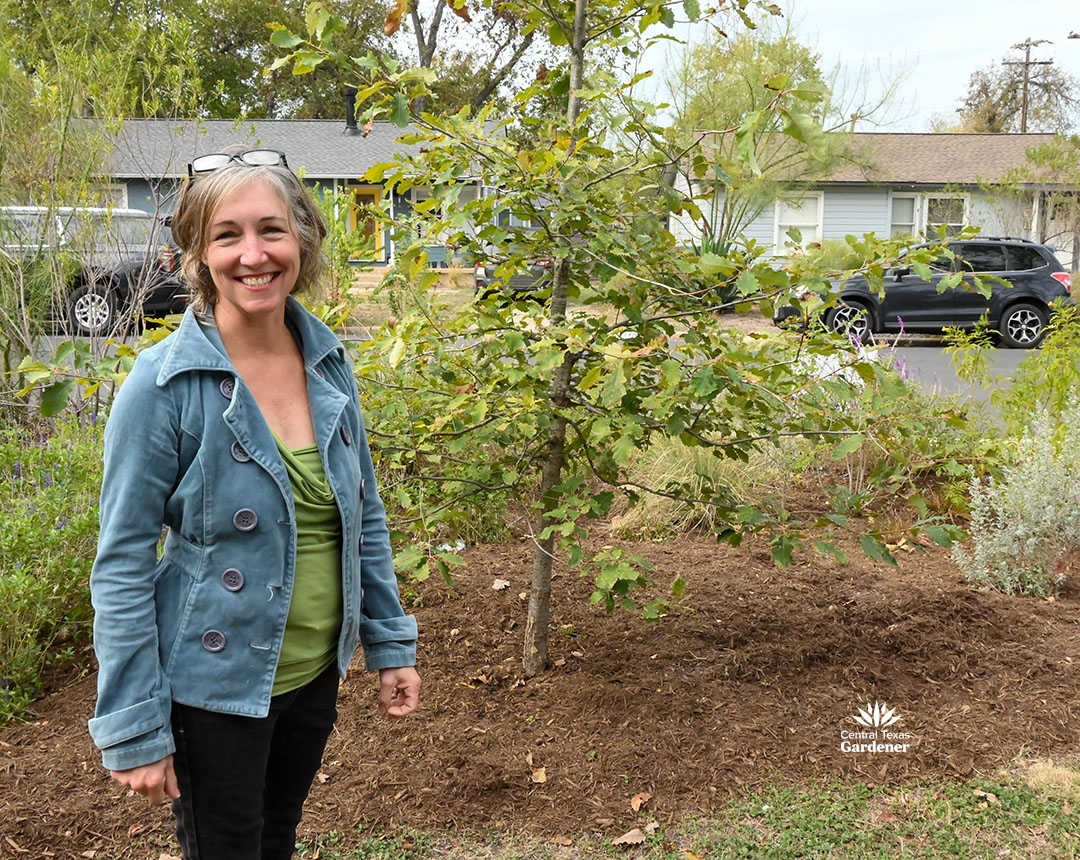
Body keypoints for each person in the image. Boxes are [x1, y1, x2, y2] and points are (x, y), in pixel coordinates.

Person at [87, 147, 420, 860]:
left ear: (302, 239)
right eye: (227, 235)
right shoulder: (163, 386)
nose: (253, 254)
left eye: (271, 229)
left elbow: (362, 516)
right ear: (198, 256)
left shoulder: (327, 361)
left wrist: (389, 642)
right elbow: (120, 565)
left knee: (276, 837)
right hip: (214, 684)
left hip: (311, 672)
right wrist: (132, 725)